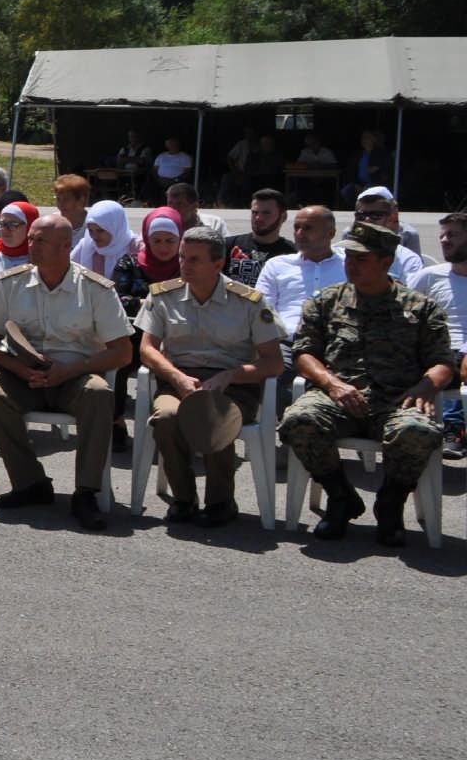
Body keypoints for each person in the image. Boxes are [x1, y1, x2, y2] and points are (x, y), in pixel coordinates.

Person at [279, 222, 455, 546]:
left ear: (386, 262)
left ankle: (391, 504)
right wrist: (332, 384)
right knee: (298, 420)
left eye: (361, 259)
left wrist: (426, 386)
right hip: (338, 397)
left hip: (396, 400)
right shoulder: (327, 301)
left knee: (418, 432)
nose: (350, 265)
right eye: (348, 257)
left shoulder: (420, 307)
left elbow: (444, 361)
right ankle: (340, 496)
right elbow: (304, 353)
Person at [0, 214, 134, 531]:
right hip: (24, 374)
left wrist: (70, 370)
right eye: (31, 238)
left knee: (99, 395)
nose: (31, 245)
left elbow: (123, 351)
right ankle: (31, 483)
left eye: (40, 241)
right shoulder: (11, 283)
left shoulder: (94, 289)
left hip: (74, 374)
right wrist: (19, 368)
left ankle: (86, 493)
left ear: (66, 246)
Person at [136, 227, 287, 528]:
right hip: (179, 380)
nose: (184, 265)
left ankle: (220, 502)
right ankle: (184, 499)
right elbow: (147, 350)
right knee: (166, 417)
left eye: (194, 259)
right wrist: (177, 377)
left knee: (214, 416)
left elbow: (274, 363)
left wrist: (230, 375)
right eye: (182, 257)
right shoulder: (164, 295)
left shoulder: (248, 302)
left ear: (218, 265)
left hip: (233, 386)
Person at [408, 210, 467, 456]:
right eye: (442, 235)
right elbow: (403, 313)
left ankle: (453, 426)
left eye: (452, 234)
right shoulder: (429, 277)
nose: (444, 240)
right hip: (436, 348)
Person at [257, 205, 343, 336]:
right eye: (296, 227)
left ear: (331, 233)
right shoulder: (276, 265)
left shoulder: (349, 264)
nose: (299, 234)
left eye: (308, 228)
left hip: (337, 343)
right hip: (287, 342)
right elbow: (262, 309)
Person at [112, 208, 184, 316]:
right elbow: (113, 301)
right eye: (156, 241)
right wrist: (152, 305)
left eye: (170, 241)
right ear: (147, 239)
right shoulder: (129, 265)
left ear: (180, 239)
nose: (163, 248)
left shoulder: (188, 266)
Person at [224, 188, 296, 286]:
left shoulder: (293, 253)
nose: (258, 218)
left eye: (266, 213)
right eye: (255, 213)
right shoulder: (228, 245)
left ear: (283, 217)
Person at [352, 187, 425, 265]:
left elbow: (415, 268)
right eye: (360, 215)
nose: (367, 220)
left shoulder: (408, 235)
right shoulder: (350, 233)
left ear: (393, 214)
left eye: (376, 215)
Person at [71, 200, 136, 280]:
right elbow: (68, 269)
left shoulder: (133, 247)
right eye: (90, 230)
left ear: (115, 227)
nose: (94, 236)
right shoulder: (86, 244)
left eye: (100, 230)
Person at [49, 174, 91, 240]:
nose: (60, 204)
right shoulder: (51, 223)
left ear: (81, 200)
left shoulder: (94, 225)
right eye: (58, 199)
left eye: (66, 199)